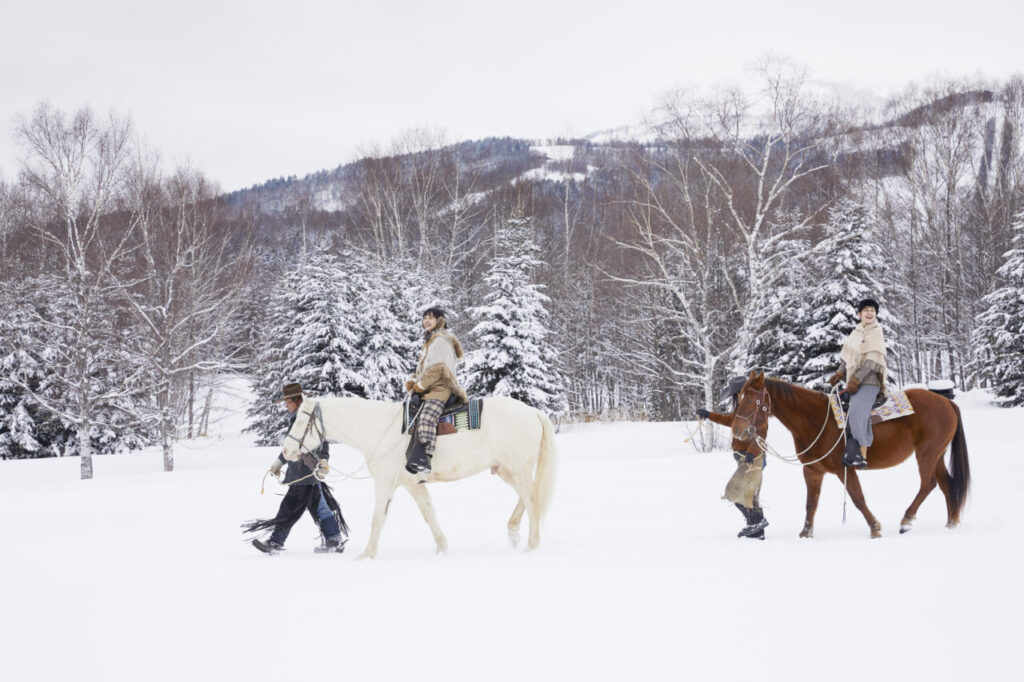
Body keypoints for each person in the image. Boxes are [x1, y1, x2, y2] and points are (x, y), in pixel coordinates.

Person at [244, 383, 349, 554]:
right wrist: (279, 462)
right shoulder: (298, 418)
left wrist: (323, 460)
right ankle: (334, 539)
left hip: (304, 473)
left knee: (289, 507)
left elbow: (322, 442)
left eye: (288, 401)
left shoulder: (308, 419)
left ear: (298, 400)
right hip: (303, 473)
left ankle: (276, 542)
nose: (285, 405)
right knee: (320, 507)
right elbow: (290, 447)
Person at [697, 375, 769, 540]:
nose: (736, 397)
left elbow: (762, 432)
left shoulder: (755, 408)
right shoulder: (741, 409)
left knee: (735, 492)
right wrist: (708, 415)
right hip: (744, 458)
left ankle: (758, 522)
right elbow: (730, 420)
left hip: (753, 458)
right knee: (749, 496)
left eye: (736, 394)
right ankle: (756, 530)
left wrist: (751, 452)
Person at [404, 307, 468, 479]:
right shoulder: (431, 341)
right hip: (430, 387)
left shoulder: (440, 341)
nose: (426, 320)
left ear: (440, 320)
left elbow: (437, 369)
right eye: (424, 318)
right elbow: (424, 370)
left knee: (426, 418)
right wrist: (413, 382)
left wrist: (419, 387)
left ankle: (424, 459)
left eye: (431, 317)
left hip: (441, 388)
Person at [828, 298, 888, 469]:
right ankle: (847, 449)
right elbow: (848, 357)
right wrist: (839, 373)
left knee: (855, 413)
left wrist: (856, 379)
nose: (870, 313)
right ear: (859, 314)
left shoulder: (876, 331)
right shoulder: (855, 332)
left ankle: (861, 455)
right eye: (866, 310)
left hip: (869, 381)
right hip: (853, 382)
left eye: (873, 311)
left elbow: (873, 359)